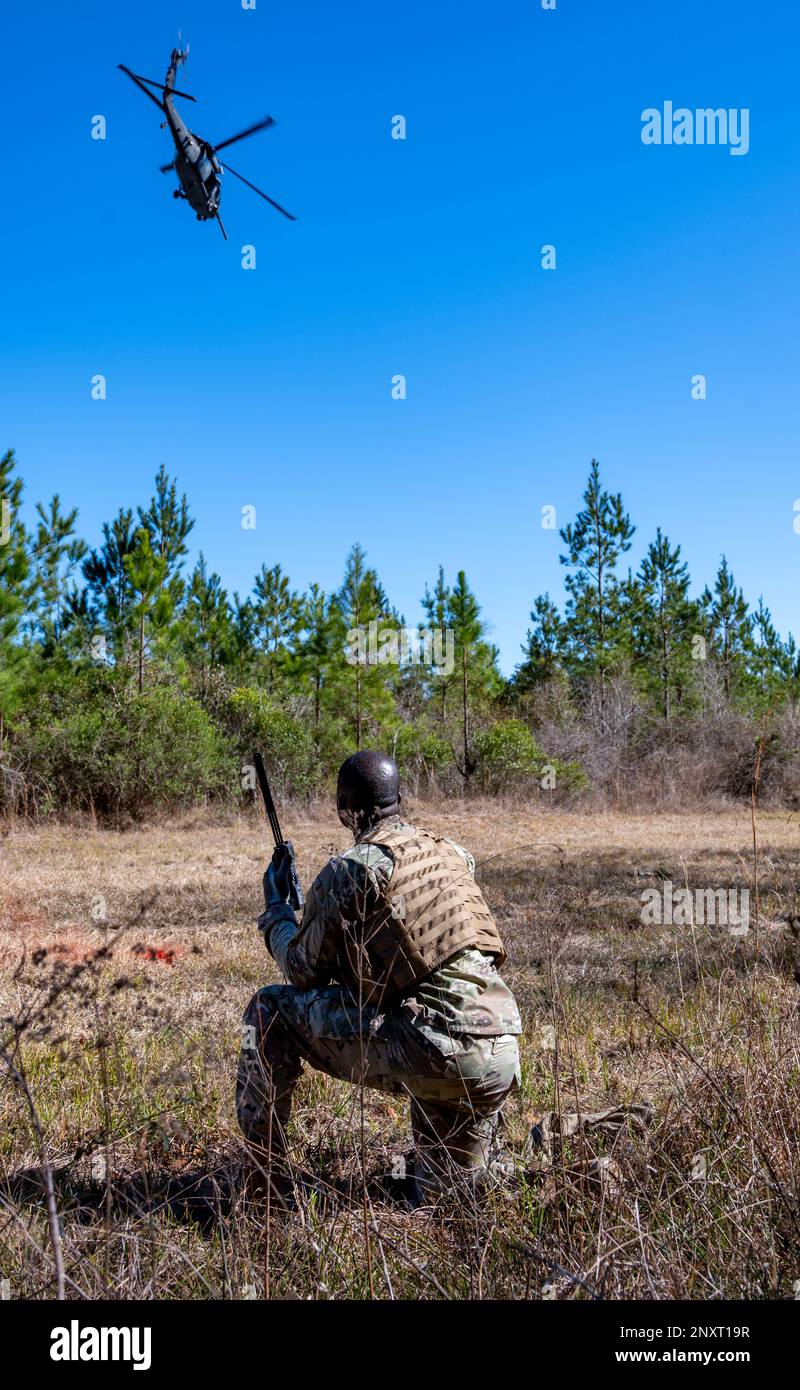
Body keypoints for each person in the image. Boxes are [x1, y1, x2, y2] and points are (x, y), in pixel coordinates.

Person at [236, 749, 521, 1203]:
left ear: (343, 810)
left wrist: (276, 914)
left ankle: (261, 1189)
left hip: (434, 1051)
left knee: (270, 1010)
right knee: (451, 1201)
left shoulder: (351, 868)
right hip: (499, 1049)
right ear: (400, 799)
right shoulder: (454, 854)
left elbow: (301, 971)